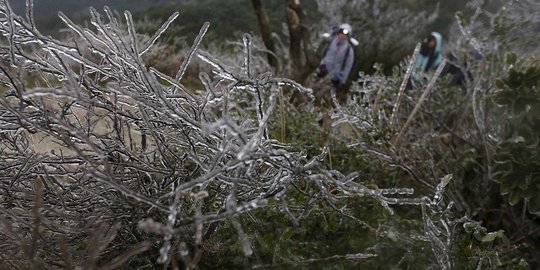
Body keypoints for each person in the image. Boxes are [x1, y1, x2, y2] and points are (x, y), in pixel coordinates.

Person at [315, 23, 355, 89]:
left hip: (334, 77)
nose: (342, 36)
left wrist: (343, 80)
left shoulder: (349, 49)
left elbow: (348, 66)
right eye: (341, 33)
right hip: (322, 70)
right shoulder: (329, 41)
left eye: (345, 35)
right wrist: (318, 66)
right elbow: (320, 53)